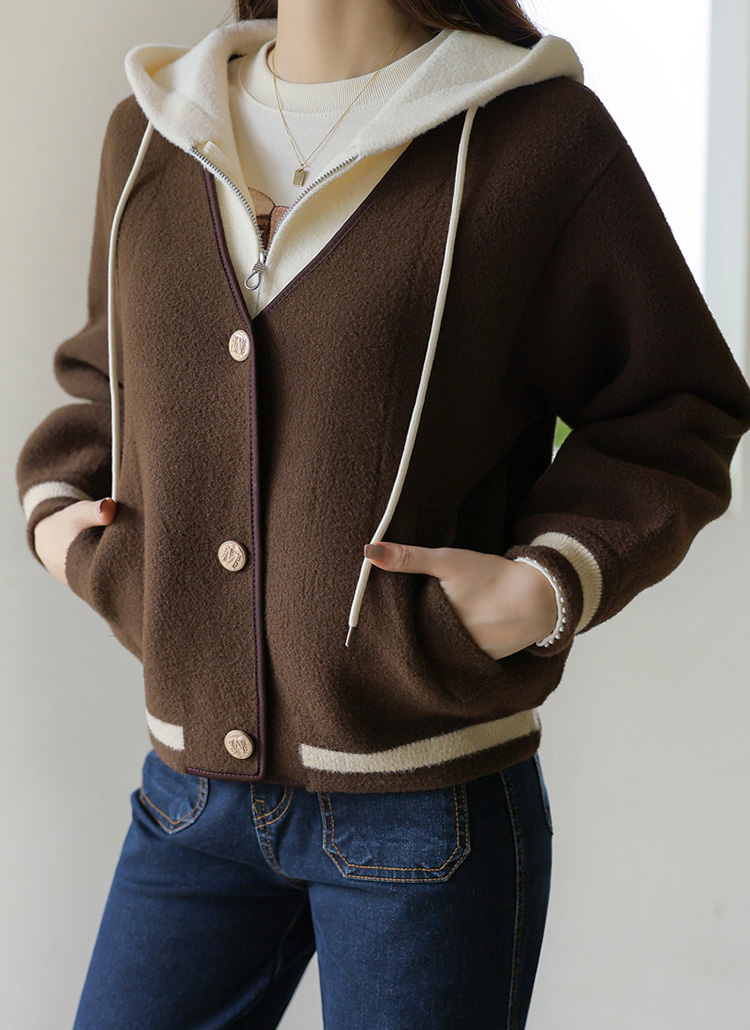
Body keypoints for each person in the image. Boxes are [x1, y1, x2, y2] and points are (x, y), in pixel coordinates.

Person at [15, 0, 750, 1027]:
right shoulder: (151, 131)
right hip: (190, 797)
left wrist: (542, 586)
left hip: (423, 805)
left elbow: (675, 406)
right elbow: (110, 383)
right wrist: (65, 524)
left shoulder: (534, 138)